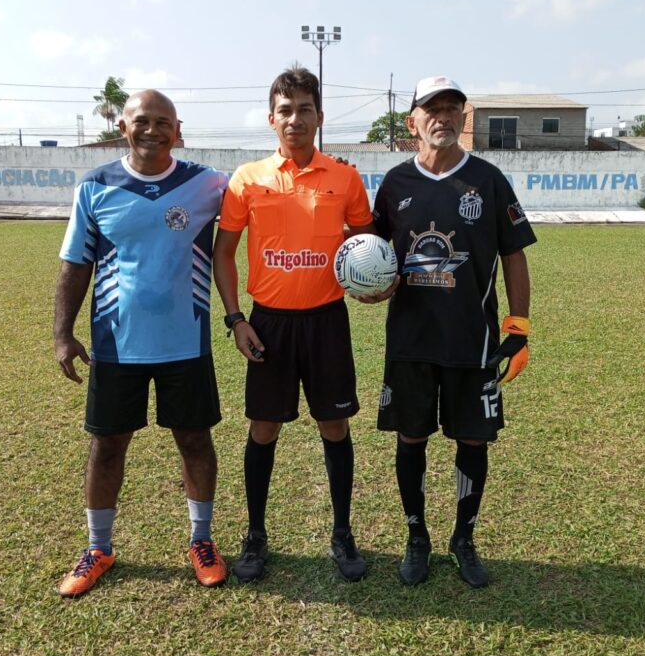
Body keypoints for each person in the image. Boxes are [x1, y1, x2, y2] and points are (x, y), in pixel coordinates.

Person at [53, 90, 229, 597]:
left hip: (186, 343)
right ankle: (98, 548)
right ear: (123, 127)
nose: (152, 129)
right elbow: (75, 264)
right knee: (107, 446)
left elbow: (265, 202)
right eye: (141, 121)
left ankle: (202, 541)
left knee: (195, 441)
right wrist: (63, 335)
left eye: (163, 122)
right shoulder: (95, 185)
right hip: (116, 345)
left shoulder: (208, 184)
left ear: (178, 130)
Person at [367, 76, 536, 588]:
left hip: (473, 341)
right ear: (412, 121)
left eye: (452, 109)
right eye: (431, 109)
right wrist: (370, 286)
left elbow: (514, 255)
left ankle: (463, 538)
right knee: (411, 436)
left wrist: (519, 326)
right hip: (411, 342)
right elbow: (373, 259)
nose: (442, 117)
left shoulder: (487, 180)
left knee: (472, 440)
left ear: (464, 118)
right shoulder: (395, 184)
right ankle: (416, 536)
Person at [213, 65, 374, 583]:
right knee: (263, 428)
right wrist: (236, 319)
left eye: (305, 109)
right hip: (269, 324)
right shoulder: (247, 179)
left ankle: (343, 533)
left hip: (327, 322)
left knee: (335, 425)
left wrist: (372, 283)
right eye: (286, 110)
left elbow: (368, 247)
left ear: (319, 117)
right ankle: (255, 535)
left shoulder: (345, 177)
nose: (295, 119)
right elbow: (224, 254)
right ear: (271, 119)